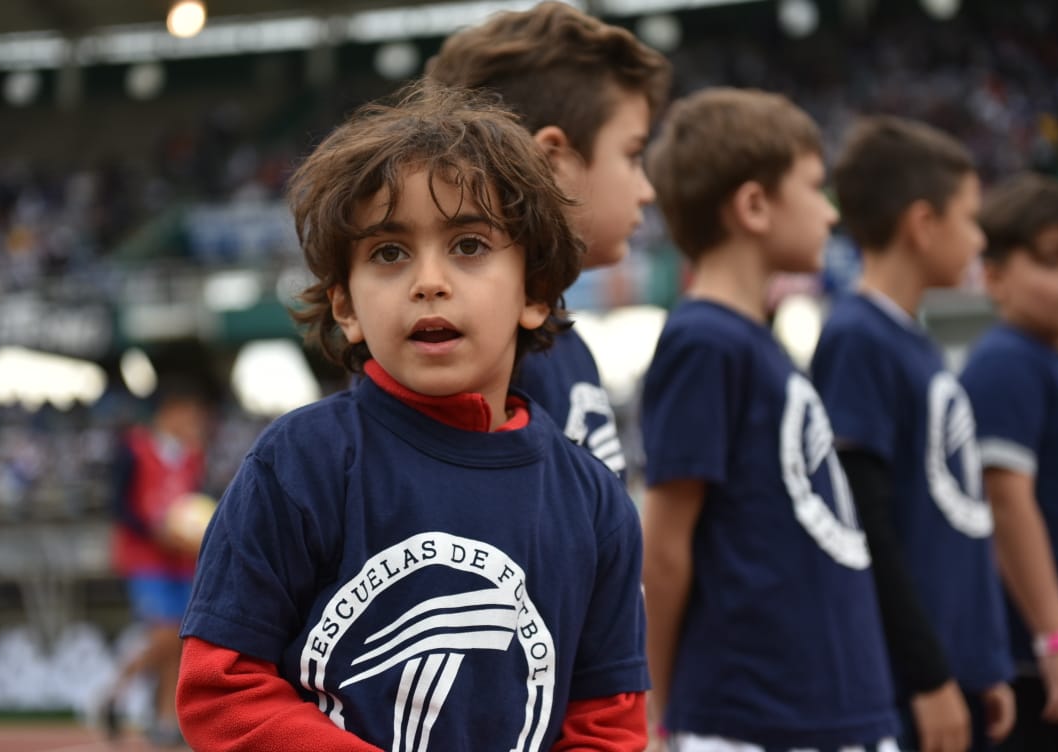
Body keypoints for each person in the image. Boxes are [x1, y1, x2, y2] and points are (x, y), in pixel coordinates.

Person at [175, 84, 650, 752]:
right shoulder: (299, 462)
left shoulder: (596, 503)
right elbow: (219, 688)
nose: (429, 280)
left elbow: (606, 724)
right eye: (389, 253)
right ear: (345, 305)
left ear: (536, 292)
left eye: (469, 245)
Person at [640, 87, 899, 751]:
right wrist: (652, 713)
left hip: (827, 707)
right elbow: (665, 547)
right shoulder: (703, 341)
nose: (830, 213)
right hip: (753, 717)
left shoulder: (755, 341)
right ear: (754, 205)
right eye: (815, 188)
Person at [811, 115, 1014, 752]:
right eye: (969, 218)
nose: (980, 239)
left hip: (960, 667)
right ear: (923, 224)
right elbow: (867, 523)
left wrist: (985, 660)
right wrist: (928, 676)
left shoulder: (909, 338)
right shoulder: (856, 339)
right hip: (914, 685)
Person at [426, 1, 671, 476]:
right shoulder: (472, 355)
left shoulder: (559, 338)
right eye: (633, 155)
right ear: (554, 162)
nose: (647, 190)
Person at [959, 172, 1058, 752]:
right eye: (1053, 261)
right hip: (1031, 662)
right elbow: (1007, 503)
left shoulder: (1047, 358)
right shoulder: (1007, 362)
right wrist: (1055, 641)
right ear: (995, 277)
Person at [100, 378, 211, 747]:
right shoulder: (134, 449)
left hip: (182, 561)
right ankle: (114, 692)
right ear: (170, 413)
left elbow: (193, 506)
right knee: (165, 634)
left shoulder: (192, 455)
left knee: (180, 641)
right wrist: (156, 532)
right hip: (145, 559)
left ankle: (166, 720)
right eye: (189, 414)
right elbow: (120, 507)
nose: (194, 422)